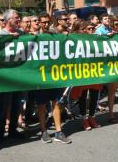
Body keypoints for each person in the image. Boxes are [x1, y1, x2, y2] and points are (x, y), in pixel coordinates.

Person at [35, 11, 71, 143]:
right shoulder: (35, 36)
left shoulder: (54, 34)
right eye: (43, 22)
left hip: (54, 75)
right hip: (40, 76)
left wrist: (64, 35)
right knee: (42, 104)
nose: (46, 24)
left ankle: (58, 131)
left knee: (56, 103)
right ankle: (44, 131)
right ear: (38, 23)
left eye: (47, 22)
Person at [0, 10, 26, 145]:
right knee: (3, 105)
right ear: (8, 20)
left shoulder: (22, 34)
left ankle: (13, 129)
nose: (18, 20)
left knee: (16, 104)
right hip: (5, 77)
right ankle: (0, 132)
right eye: (16, 18)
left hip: (18, 76)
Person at [70, 19, 102, 130]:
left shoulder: (93, 38)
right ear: (76, 30)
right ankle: (84, 119)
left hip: (93, 70)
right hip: (80, 71)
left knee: (94, 95)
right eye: (83, 29)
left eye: (88, 28)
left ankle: (92, 117)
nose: (87, 31)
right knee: (82, 96)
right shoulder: (72, 39)